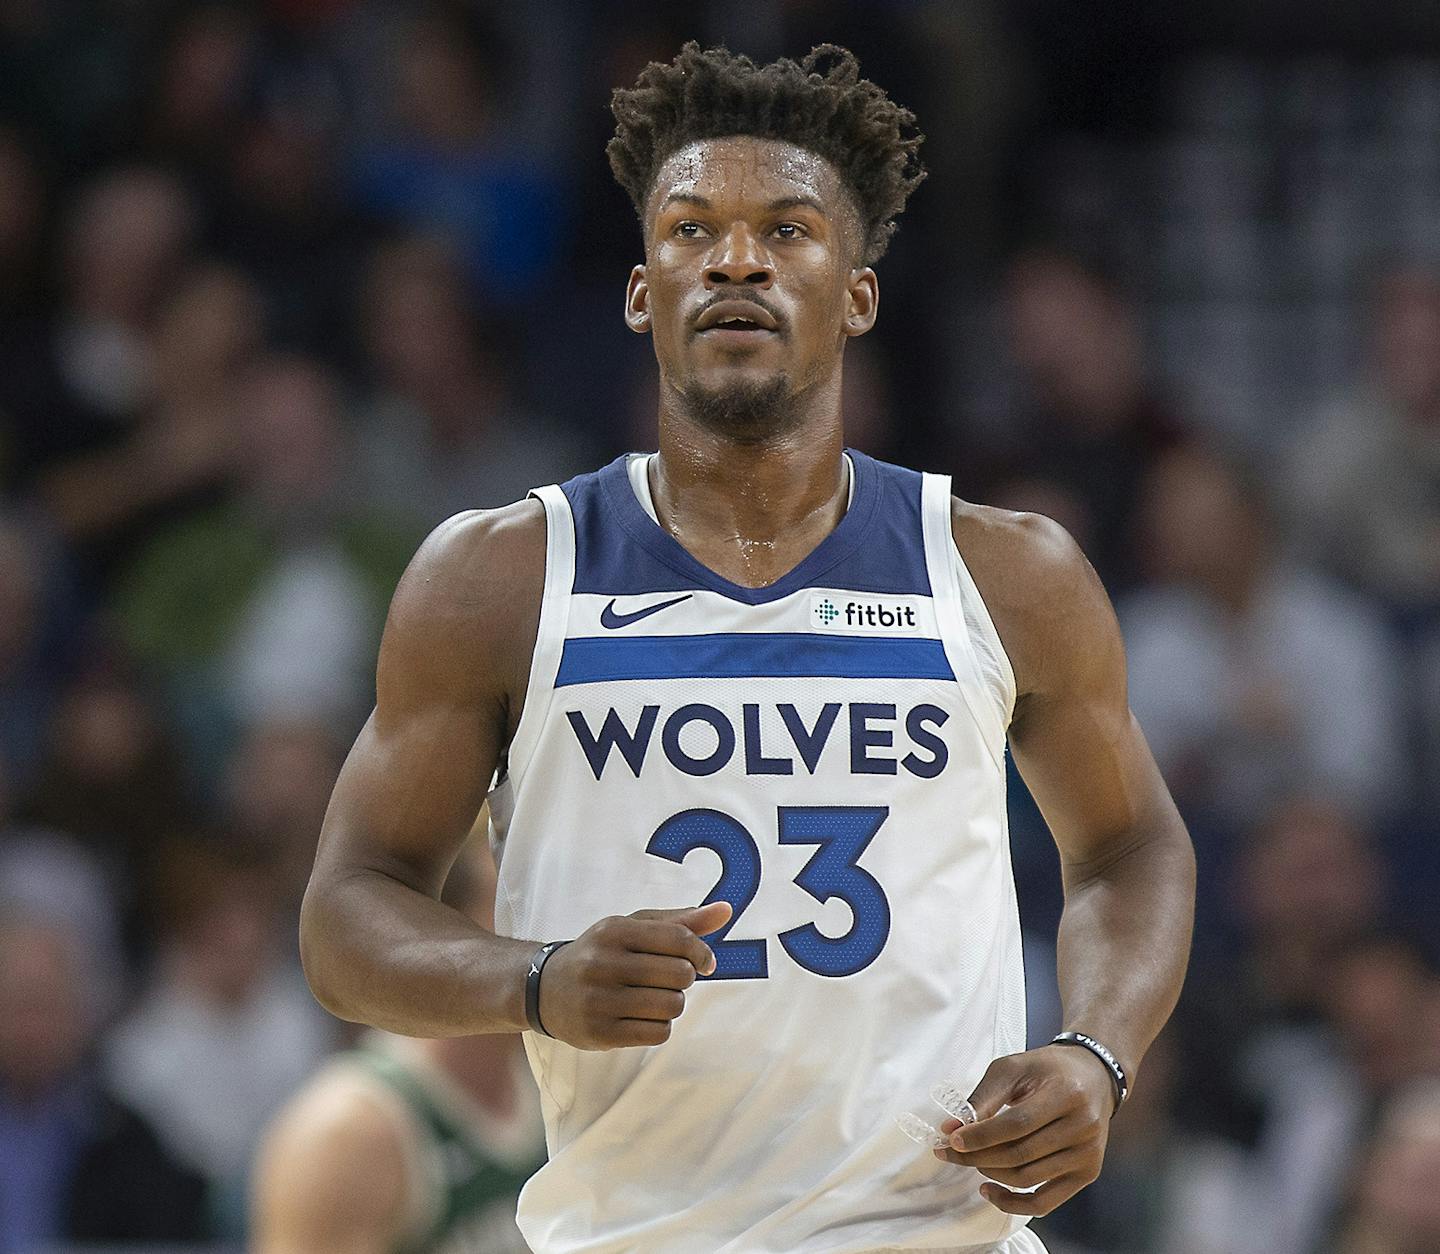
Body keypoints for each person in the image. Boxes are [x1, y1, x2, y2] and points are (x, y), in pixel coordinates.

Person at [299, 43, 1195, 1253]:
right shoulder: (498, 578)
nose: (734, 258)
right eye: (690, 230)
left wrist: (1097, 1050)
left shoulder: (1007, 572)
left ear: (859, 294)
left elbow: (1133, 846)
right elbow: (346, 914)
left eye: (786, 230)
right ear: (639, 289)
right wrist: (532, 979)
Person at [253, 830, 545, 1254]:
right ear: (448, 931)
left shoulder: (553, 1082)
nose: (549, 927)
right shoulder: (346, 1132)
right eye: (516, 902)